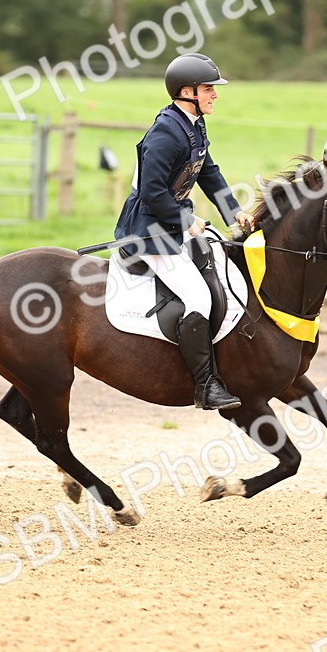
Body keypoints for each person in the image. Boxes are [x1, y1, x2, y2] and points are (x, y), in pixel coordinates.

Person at [113, 52, 255, 410]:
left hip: (170, 223)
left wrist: (234, 211)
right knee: (198, 298)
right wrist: (186, 220)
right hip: (149, 231)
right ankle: (206, 386)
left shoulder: (192, 124)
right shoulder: (166, 132)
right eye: (209, 89)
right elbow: (152, 191)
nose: (215, 94)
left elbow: (208, 171)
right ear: (187, 92)